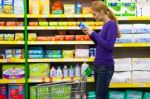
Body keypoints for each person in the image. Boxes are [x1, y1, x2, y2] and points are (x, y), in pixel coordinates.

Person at [82, 1, 121, 99]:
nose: (93, 16)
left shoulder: (111, 24)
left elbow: (109, 46)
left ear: (102, 11)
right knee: (99, 95)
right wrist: (91, 35)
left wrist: (94, 33)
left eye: (94, 14)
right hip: (98, 65)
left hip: (105, 66)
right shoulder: (104, 26)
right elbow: (100, 45)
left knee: (100, 96)